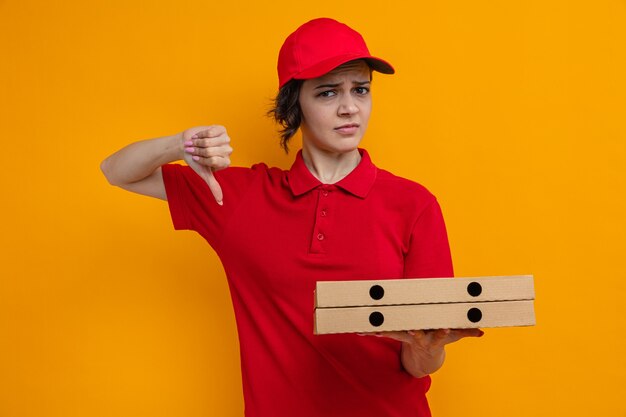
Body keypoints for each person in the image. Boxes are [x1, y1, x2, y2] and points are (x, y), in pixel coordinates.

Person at [101, 17, 482, 417]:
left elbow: (417, 363)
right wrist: (181, 144)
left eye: (361, 90)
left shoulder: (414, 205)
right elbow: (116, 171)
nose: (350, 107)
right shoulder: (238, 198)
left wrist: (427, 348)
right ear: (293, 103)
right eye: (328, 92)